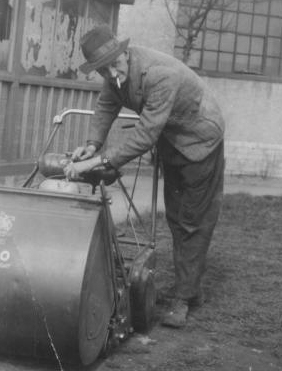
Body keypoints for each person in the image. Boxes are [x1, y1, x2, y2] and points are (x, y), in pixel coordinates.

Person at [64, 24, 225, 328]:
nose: (111, 74)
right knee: (177, 217)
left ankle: (183, 299)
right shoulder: (113, 74)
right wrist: (91, 145)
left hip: (201, 141)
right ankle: (192, 290)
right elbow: (106, 106)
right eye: (103, 69)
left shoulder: (161, 74)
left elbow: (145, 135)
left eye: (115, 64)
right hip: (173, 138)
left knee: (192, 219)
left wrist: (95, 163)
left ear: (125, 52)